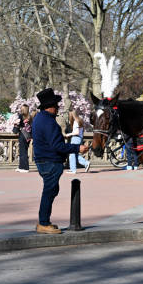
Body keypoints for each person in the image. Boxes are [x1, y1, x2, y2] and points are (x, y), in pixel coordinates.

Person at [32, 88, 88, 234]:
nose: (58, 108)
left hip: (44, 160)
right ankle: (43, 223)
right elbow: (57, 145)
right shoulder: (48, 122)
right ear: (49, 107)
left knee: (51, 190)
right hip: (49, 161)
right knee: (49, 191)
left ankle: (44, 221)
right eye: (56, 105)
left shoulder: (40, 118)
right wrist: (77, 148)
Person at [65, 109, 90, 174]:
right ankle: (86, 163)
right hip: (79, 138)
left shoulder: (76, 122)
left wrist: (69, 134)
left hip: (75, 138)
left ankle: (73, 170)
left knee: (72, 154)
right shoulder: (80, 120)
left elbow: (77, 132)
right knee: (75, 154)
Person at [13, 104, 33, 173]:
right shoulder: (30, 116)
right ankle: (21, 166)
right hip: (28, 136)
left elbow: (17, 124)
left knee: (22, 151)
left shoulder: (21, 116)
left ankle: (25, 168)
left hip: (23, 135)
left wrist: (15, 126)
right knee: (24, 151)